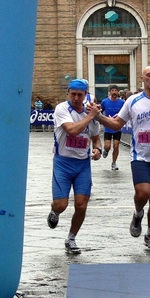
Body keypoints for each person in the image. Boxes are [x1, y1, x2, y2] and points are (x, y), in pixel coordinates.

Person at [90, 65, 150, 251]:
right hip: (140, 156)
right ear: (142, 78)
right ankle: (137, 213)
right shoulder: (132, 101)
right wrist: (99, 117)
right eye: (149, 75)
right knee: (143, 193)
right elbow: (117, 123)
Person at [47, 79, 102, 254]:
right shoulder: (62, 109)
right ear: (68, 93)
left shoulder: (91, 114)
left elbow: (96, 138)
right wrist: (90, 116)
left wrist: (98, 149)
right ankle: (54, 211)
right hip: (63, 163)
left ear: (85, 95)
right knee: (61, 205)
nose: (76, 98)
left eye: (80, 95)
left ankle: (71, 238)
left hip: (82, 165)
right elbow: (72, 130)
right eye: (73, 94)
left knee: (81, 205)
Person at [100, 84, 125, 170]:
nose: (114, 92)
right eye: (112, 90)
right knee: (107, 146)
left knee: (116, 145)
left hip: (117, 127)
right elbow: (100, 111)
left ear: (118, 92)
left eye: (115, 91)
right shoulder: (105, 101)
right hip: (108, 127)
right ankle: (106, 150)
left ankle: (114, 163)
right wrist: (103, 120)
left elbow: (125, 113)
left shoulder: (122, 102)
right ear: (110, 92)